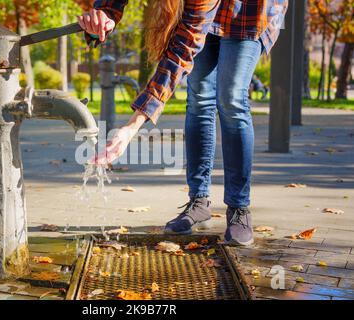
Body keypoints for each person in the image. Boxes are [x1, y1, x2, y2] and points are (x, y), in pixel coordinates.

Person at [79, 0, 288, 246]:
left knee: (231, 98)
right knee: (199, 97)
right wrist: (106, 13)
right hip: (202, 12)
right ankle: (199, 201)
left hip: (248, 11)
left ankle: (239, 208)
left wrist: (131, 127)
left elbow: (182, 50)